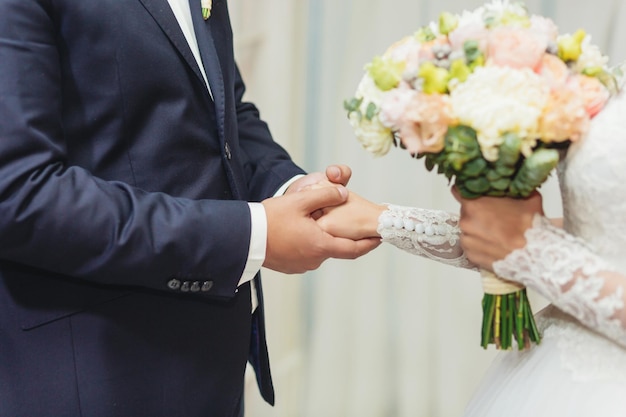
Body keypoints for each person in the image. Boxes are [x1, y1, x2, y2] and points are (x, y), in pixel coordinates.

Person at [0, 0, 380, 416]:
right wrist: (253, 235)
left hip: (211, 365)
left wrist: (295, 189)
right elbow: (19, 194)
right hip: (94, 369)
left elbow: (223, 110)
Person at [318, 86, 626, 415]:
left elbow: (523, 243)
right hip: (548, 370)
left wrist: (529, 252)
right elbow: (598, 234)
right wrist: (383, 219)